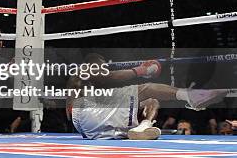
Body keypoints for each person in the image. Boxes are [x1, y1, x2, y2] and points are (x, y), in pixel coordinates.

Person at [67, 54, 228, 140]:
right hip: (87, 112)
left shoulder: (78, 84)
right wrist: (143, 70)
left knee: (152, 101)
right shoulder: (86, 69)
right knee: (146, 89)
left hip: (88, 129)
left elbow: (72, 115)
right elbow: (110, 76)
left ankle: (143, 125)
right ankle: (189, 95)